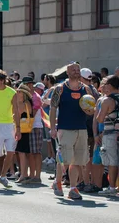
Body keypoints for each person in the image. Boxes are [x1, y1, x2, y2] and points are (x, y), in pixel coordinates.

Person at [49, 62, 95, 200]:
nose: (76, 71)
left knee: (77, 160)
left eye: (78, 69)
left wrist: (90, 110)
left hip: (81, 128)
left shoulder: (86, 89)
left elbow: (92, 108)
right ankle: (58, 182)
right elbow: (52, 108)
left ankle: (73, 188)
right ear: (67, 73)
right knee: (64, 159)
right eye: (73, 70)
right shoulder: (60, 88)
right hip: (65, 128)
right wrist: (52, 128)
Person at [96, 75, 119, 196]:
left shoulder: (107, 100)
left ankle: (112, 187)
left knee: (112, 161)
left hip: (110, 134)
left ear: (110, 86)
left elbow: (99, 119)